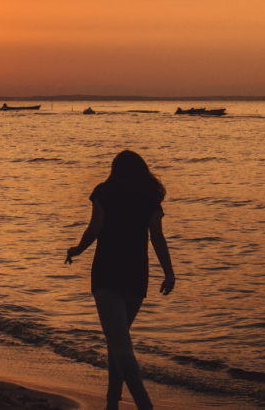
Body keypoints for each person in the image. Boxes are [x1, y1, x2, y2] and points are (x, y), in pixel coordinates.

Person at [65, 150, 175, 410]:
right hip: (137, 277)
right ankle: (111, 402)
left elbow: (95, 228)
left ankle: (144, 405)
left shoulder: (104, 192)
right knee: (117, 339)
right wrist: (169, 273)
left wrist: (77, 250)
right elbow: (158, 238)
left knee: (120, 345)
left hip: (106, 274)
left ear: (115, 170)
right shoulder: (150, 199)